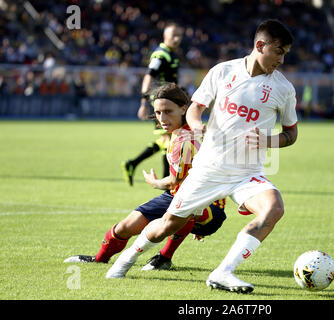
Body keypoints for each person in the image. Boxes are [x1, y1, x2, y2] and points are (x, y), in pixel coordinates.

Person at [106, 19, 298, 294]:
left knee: (274, 208)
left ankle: (224, 272)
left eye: (285, 54)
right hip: (208, 169)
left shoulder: (283, 89)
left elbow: (291, 134)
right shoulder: (223, 72)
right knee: (167, 227)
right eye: (278, 51)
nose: (281, 59)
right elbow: (195, 108)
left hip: (247, 173)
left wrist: (268, 140)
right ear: (260, 45)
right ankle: (127, 258)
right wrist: (196, 125)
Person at [65, 83, 227, 269]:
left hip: (208, 206)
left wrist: (154, 182)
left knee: (185, 210)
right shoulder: (181, 133)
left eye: (168, 111)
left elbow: (174, 181)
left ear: (184, 108)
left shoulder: (185, 140)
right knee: (127, 225)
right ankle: (100, 259)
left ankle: (164, 258)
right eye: (158, 112)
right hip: (180, 196)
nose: (162, 118)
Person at [122, 22, 184, 186]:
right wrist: (143, 102)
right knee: (170, 140)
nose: (177, 39)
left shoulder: (171, 54)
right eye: (173, 36)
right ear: (165, 37)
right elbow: (149, 76)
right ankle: (167, 187)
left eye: (179, 36)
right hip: (163, 105)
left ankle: (133, 164)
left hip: (170, 102)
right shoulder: (160, 55)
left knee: (167, 140)